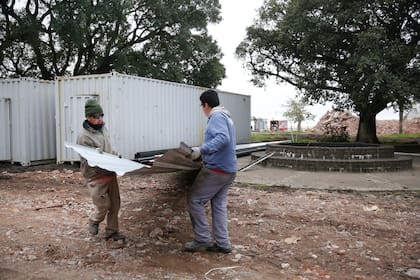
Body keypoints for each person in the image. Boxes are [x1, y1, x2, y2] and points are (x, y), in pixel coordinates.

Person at [184, 89, 237, 253]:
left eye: (202, 106)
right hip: (229, 170)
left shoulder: (216, 116)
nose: (202, 109)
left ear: (205, 105)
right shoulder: (226, 117)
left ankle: (202, 239)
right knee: (218, 205)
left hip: (217, 170)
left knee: (195, 200)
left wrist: (201, 150)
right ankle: (223, 244)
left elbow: (222, 138)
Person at [76, 99, 125, 242]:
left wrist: (117, 158)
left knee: (115, 204)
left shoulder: (103, 128)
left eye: (101, 115)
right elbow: (91, 159)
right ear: (88, 117)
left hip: (110, 171)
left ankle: (112, 232)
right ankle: (94, 220)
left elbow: (108, 148)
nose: (100, 119)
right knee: (103, 205)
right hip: (96, 175)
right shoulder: (84, 137)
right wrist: (109, 162)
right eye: (96, 116)